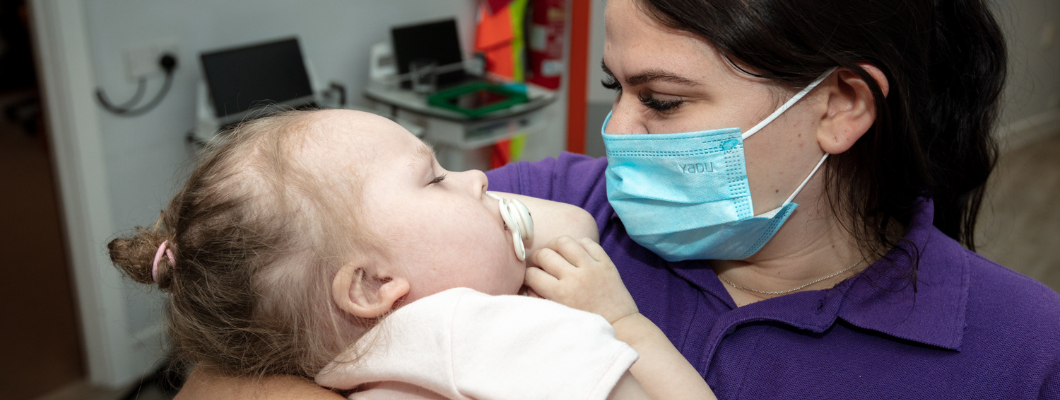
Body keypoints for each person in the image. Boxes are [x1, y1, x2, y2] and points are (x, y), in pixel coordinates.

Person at [181, 0, 1060, 397]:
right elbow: (250, 318)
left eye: (664, 101)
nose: (618, 135)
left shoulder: (1023, 355)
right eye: (618, 89)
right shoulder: (538, 218)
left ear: (838, 106)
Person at [110, 109, 716, 399]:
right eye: (434, 178)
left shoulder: (347, 366)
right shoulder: (485, 331)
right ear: (373, 286)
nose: (479, 176)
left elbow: (574, 223)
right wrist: (624, 321)